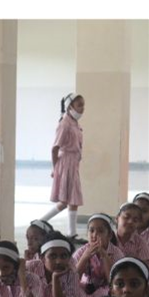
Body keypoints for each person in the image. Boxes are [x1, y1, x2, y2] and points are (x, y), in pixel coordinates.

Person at [39, 92, 87, 242]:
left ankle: (44, 223)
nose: (82, 108)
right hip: (66, 164)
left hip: (73, 164)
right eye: (79, 105)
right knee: (70, 200)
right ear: (70, 106)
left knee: (70, 200)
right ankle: (43, 223)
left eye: (83, 105)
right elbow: (55, 148)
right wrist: (55, 169)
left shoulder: (74, 123)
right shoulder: (65, 124)